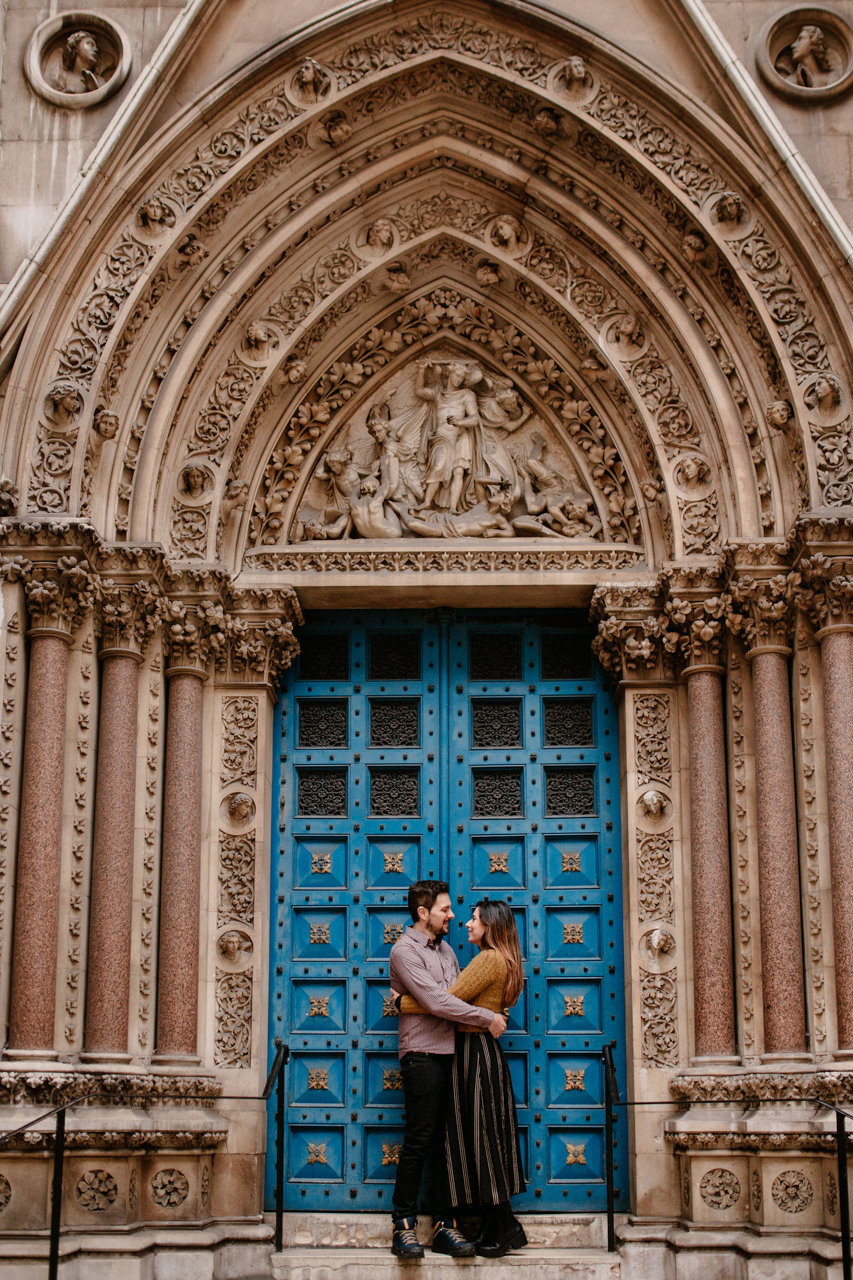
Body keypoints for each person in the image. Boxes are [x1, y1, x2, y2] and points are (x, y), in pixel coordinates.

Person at [394, 899, 527, 1258]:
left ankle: (503, 1224)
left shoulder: (487, 960)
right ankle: (497, 1223)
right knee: (482, 1136)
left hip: (474, 1051)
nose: (466, 923)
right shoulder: (499, 959)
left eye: (474, 919)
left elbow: (444, 1000)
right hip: (478, 1050)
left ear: (490, 926)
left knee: (482, 1137)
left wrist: (401, 1004)